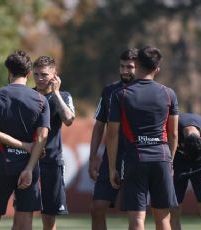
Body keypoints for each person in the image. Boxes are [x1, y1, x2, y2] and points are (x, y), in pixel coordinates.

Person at [106, 46, 179, 230]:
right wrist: (170, 161)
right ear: (157, 69)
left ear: (136, 65)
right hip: (162, 158)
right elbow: (174, 134)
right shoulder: (169, 94)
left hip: (135, 160)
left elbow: (112, 133)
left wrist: (112, 167)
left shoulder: (120, 95)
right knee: (163, 219)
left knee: (137, 220)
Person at [0, 50, 50, 230]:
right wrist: (28, 167)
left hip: (2, 165)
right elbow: (42, 137)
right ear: (28, 74)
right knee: (24, 221)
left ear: (9, 73)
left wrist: (23, 146)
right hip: (29, 167)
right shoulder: (41, 100)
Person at [88, 48, 138, 230]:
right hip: (112, 156)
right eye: (122, 66)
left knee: (136, 212)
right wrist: (92, 157)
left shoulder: (146, 91)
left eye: (130, 67)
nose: (125, 71)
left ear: (138, 67)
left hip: (137, 156)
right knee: (97, 207)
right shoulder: (109, 91)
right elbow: (99, 125)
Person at [32, 56, 75, 230]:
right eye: (36, 74)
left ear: (54, 75)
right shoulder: (28, 95)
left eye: (44, 74)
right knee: (23, 211)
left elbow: (69, 119)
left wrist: (56, 93)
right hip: (27, 160)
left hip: (51, 161)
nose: (39, 79)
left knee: (49, 216)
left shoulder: (64, 96)